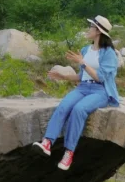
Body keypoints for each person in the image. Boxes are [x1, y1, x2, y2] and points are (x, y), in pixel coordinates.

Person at [34, 15, 120, 171]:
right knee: (63, 106)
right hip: (83, 88)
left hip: (100, 91)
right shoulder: (86, 50)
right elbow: (82, 76)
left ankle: (69, 153)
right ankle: (47, 142)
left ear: (98, 31)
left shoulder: (109, 53)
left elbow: (100, 77)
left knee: (79, 109)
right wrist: (64, 77)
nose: (88, 29)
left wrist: (82, 62)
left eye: (91, 27)